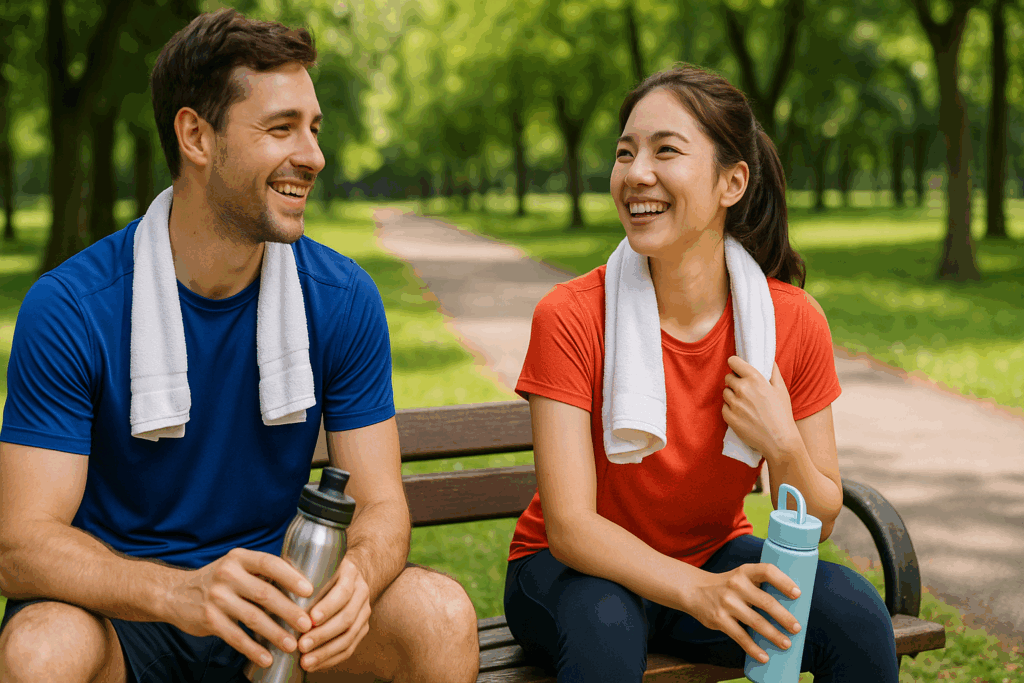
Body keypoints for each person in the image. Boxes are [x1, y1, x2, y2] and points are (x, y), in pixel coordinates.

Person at [0, 9, 478, 683]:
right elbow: (22, 547)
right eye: (281, 128)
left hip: (281, 615)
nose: (312, 155)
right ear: (196, 135)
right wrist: (180, 593)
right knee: (38, 650)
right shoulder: (71, 308)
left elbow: (380, 504)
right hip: (125, 620)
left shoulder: (342, 298)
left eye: (314, 129)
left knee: (439, 613)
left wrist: (357, 579)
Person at [503, 65, 899, 683]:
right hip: (570, 574)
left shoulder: (789, 323)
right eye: (625, 153)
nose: (636, 174)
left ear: (731, 182)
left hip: (711, 554)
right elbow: (571, 528)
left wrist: (783, 443)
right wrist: (700, 593)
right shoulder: (571, 316)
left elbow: (818, 519)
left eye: (666, 151)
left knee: (853, 615)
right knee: (605, 627)